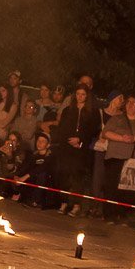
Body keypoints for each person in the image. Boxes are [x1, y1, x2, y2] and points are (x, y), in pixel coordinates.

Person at [54, 85, 102, 216]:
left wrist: (80, 140)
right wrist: (69, 140)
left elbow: (93, 130)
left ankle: (76, 205)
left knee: (77, 177)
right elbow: (62, 128)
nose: (80, 97)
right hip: (66, 147)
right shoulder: (67, 110)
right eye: (78, 94)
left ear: (87, 96)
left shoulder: (93, 112)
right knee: (64, 175)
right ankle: (64, 202)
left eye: (83, 94)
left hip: (81, 149)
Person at [15, 132, 56, 206]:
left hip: (46, 185)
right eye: (38, 140)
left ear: (48, 145)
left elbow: (42, 168)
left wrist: (25, 176)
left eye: (43, 141)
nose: (39, 143)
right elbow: (25, 167)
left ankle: (36, 201)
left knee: (42, 174)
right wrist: (17, 176)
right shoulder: (34, 155)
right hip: (33, 181)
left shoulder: (50, 156)